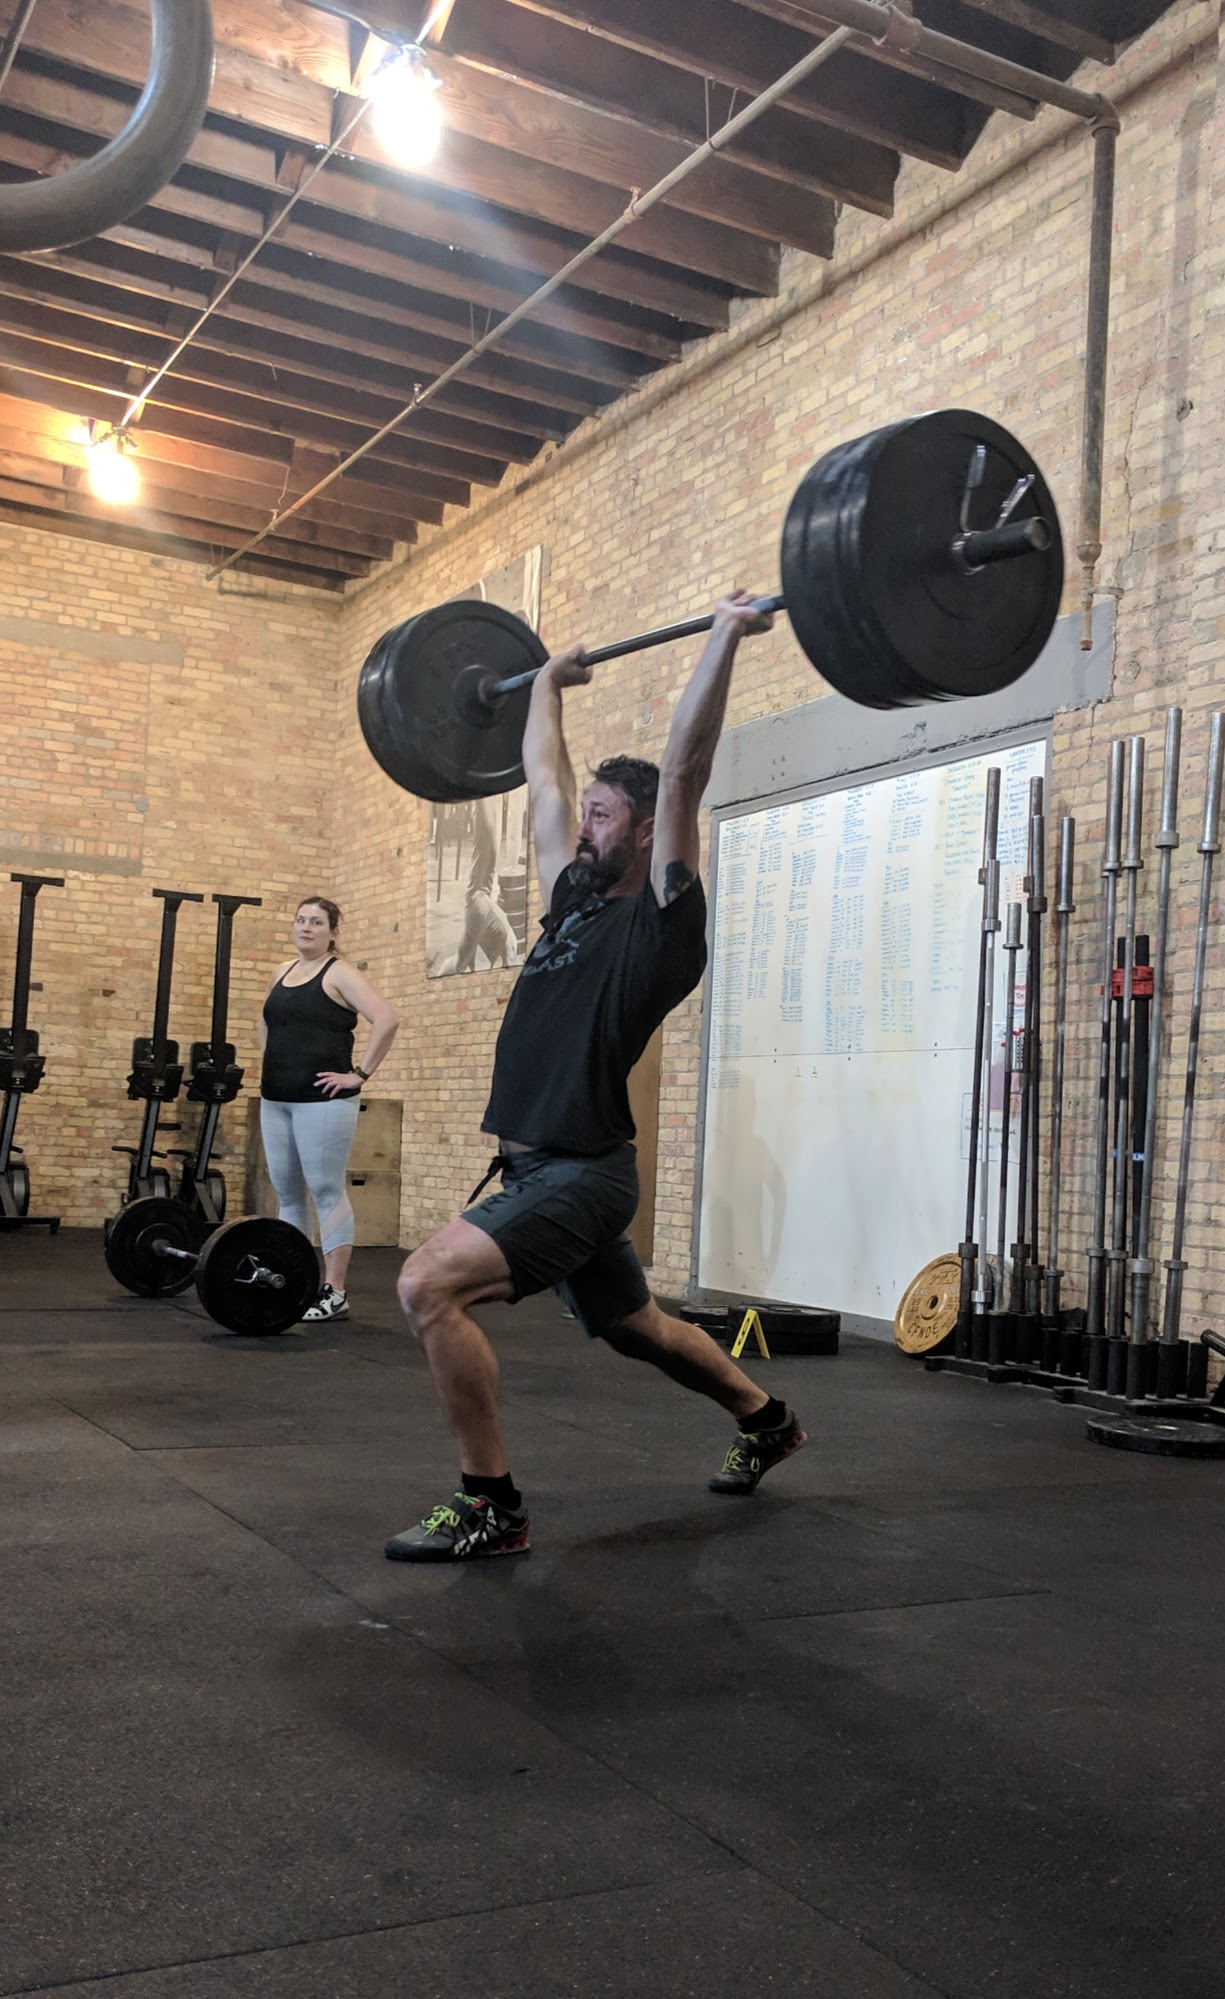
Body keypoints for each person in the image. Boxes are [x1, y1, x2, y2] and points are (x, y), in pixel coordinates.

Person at [387, 591, 805, 1563]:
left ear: (646, 831)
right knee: (635, 1326)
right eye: (588, 813)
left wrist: (722, 637)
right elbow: (544, 780)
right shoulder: (571, 902)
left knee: (425, 1286)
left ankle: (491, 1504)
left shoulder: (658, 926)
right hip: (546, 1164)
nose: (582, 826)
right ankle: (766, 1419)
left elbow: (685, 769)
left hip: (579, 1172)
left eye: (604, 816)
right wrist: (544, 684)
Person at [259, 896, 398, 1323]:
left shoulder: (340, 973)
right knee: (287, 1194)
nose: (306, 928)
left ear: (333, 932)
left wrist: (359, 1074)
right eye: (301, 920)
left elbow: (386, 1018)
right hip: (276, 1098)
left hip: (323, 1101)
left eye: (317, 922)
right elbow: (267, 1022)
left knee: (325, 1189)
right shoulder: (281, 971)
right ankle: (293, 1282)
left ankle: (335, 1292)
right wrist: (273, 1062)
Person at [431, 796, 520, 976]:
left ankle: (438, 979)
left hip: (479, 900)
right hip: (477, 900)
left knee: (459, 961)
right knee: (510, 946)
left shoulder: (497, 799)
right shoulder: (485, 800)